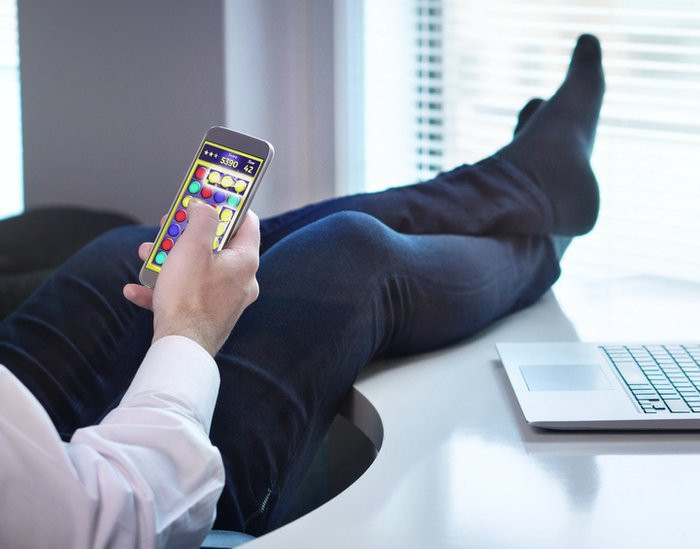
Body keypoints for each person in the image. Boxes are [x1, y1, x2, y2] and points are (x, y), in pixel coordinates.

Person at [0, 34, 605, 547]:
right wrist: (187, 333)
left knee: (124, 255)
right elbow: (119, 519)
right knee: (346, 254)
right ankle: (538, 229)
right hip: (153, 510)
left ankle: (524, 186)